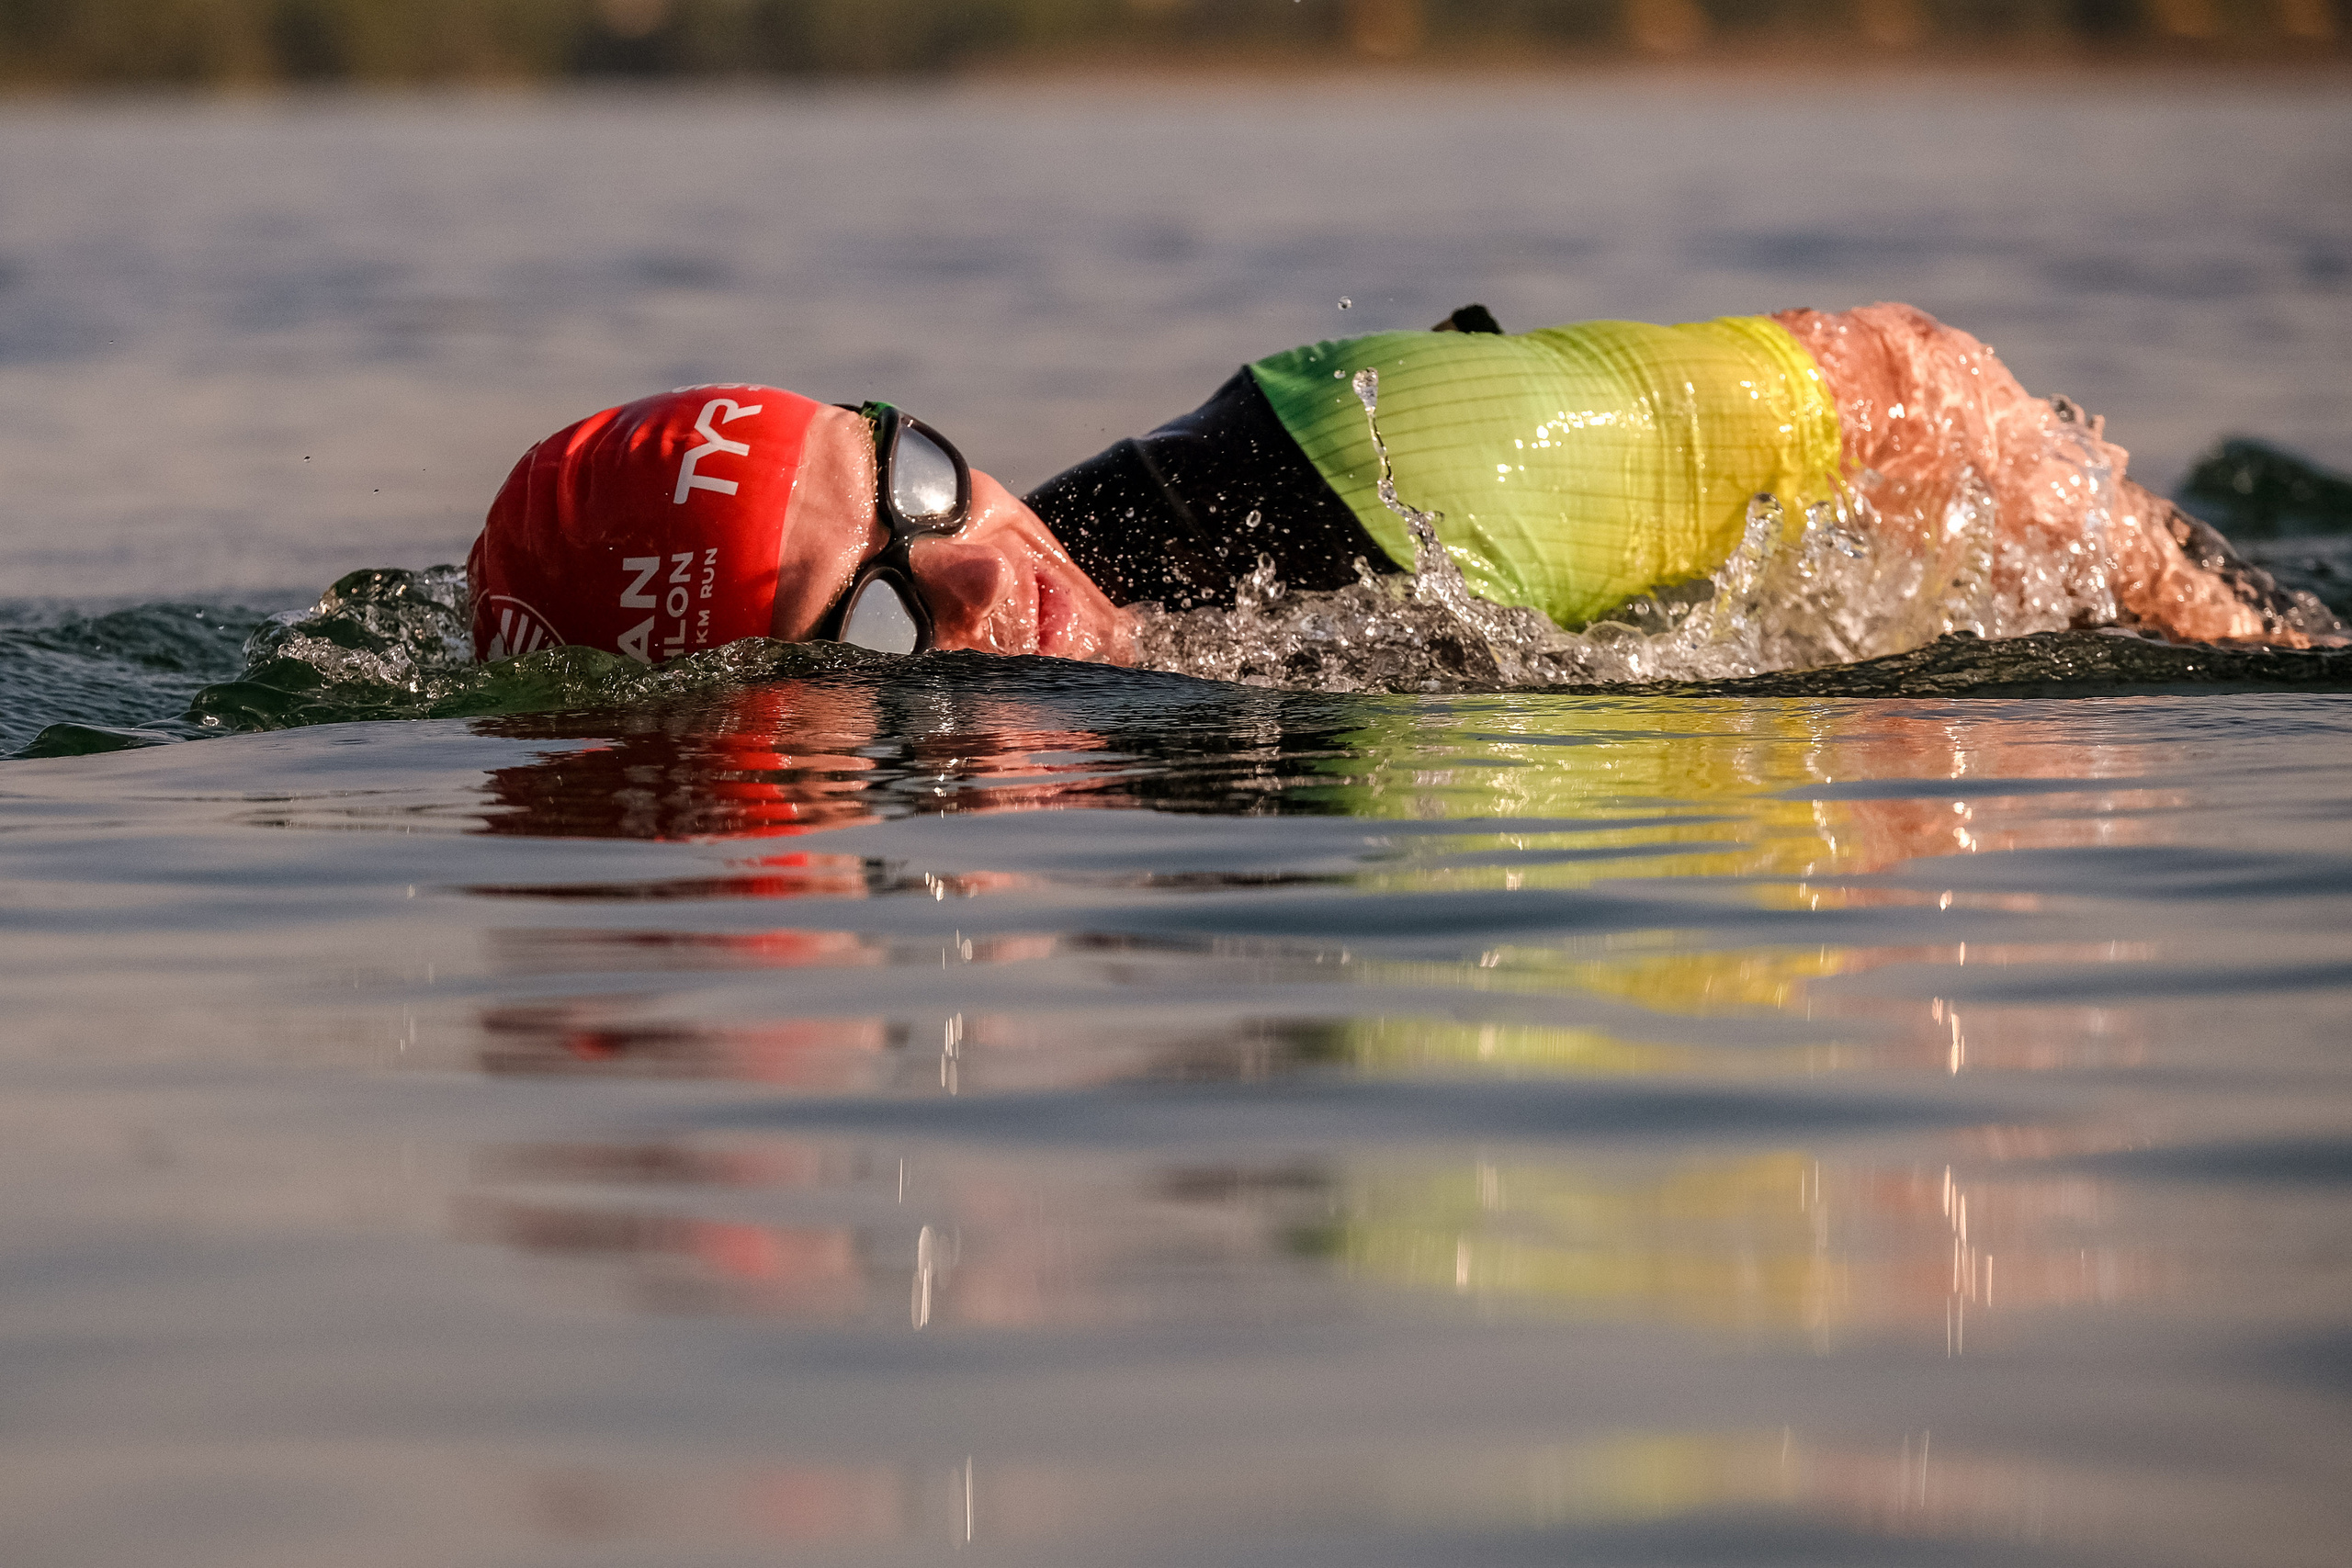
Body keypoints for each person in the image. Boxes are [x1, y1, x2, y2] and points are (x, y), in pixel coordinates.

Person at [466, 302, 2336, 669]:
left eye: (933, 481)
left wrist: (2234, 647)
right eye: (875, 612)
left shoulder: (1379, 469)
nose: (985, 577)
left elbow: (1920, 386)